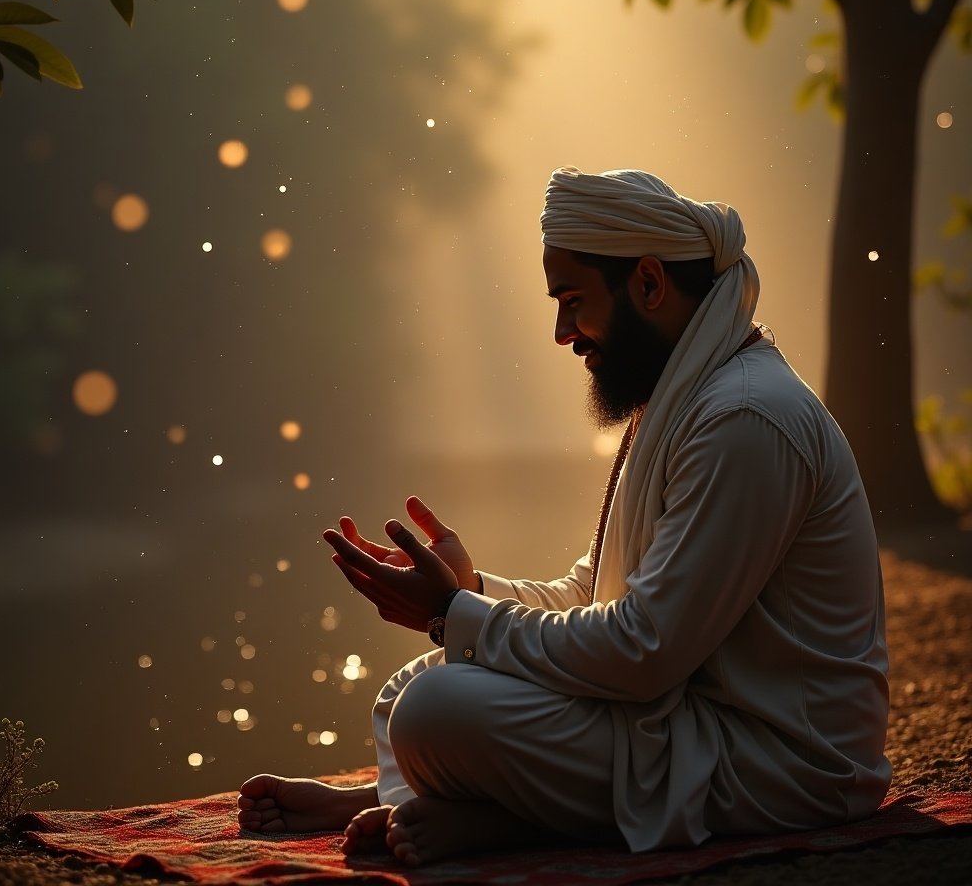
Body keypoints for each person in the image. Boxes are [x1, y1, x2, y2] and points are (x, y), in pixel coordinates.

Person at [237, 167, 891, 867]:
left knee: (435, 709)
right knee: (418, 685)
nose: (560, 331)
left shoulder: (744, 417)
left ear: (647, 283)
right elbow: (596, 595)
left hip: (781, 763)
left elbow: (643, 653)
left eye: (573, 299)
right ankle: (403, 798)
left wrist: (454, 613)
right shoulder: (682, 398)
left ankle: (497, 818)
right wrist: (468, 594)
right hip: (685, 723)